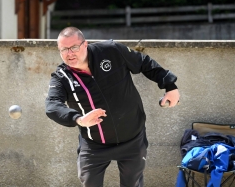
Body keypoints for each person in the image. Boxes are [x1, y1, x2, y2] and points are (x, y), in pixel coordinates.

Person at [45, 26, 180, 187]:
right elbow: (52, 106)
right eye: (63, 50)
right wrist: (79, 119)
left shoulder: (111, 50)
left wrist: (170, 86)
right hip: (94, 143)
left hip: (132, 138)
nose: (69, 53)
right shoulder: (61, 77)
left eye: (74, 47)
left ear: (85, 44)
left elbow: (144, 63)